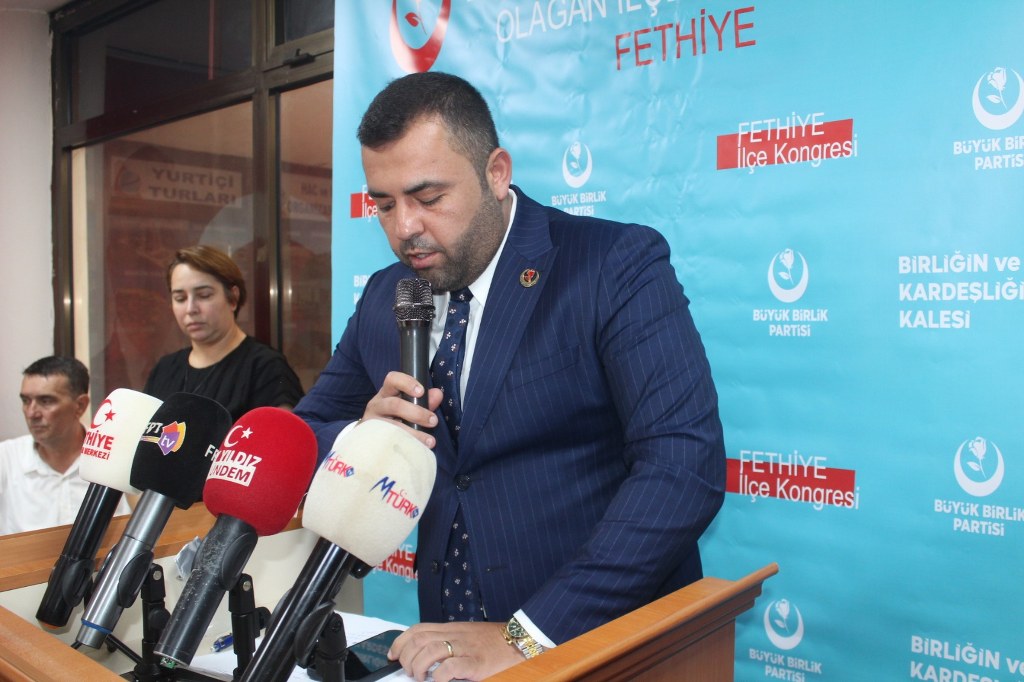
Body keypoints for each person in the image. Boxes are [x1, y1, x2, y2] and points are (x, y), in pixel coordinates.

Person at [294, 72, 726, 682]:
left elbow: (683, 467)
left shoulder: (611, 265)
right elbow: (305, 433)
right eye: (384, 205)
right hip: (446, 654)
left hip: (604, 647)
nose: (404, 227)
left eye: (427, 197)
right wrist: (358, 434)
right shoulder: (390, 296)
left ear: (496, 172)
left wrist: (528, 637)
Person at [144, 245, 305, 422]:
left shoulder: (266, 368)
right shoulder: (164, 369)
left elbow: (283, 433)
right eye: (180, 298)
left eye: (204, 295)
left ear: (233, 298)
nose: (191, 309)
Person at [0, 356, 130, 535]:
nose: (32, 413)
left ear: (80, 405)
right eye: (26, 401)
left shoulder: (116, 456)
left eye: (46, 401)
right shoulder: (6, 458)